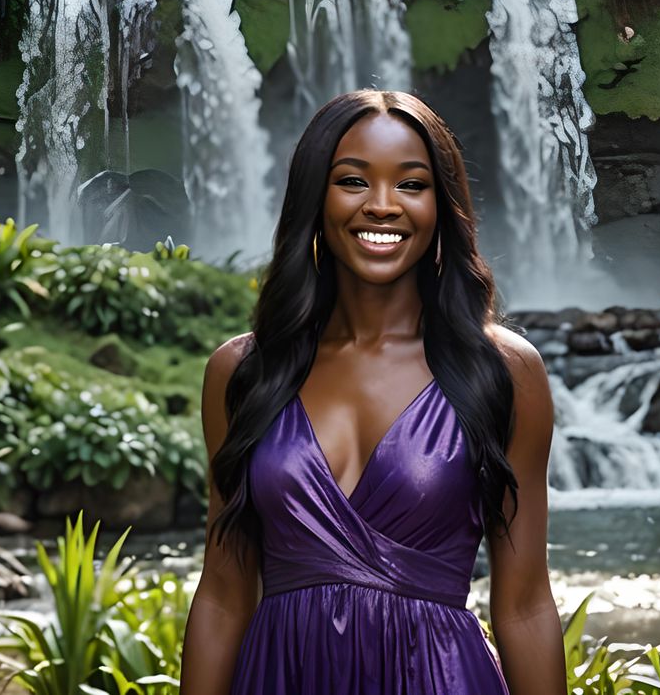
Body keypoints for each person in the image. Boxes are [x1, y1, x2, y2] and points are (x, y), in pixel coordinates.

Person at [179, 89, 565, 694]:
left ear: (442, 205)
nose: (382, 206)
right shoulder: (244, 372)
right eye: (353, 180)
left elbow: (525, 605)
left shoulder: (505, 372)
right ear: (315, 196)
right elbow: (224, 595)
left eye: (411, 185)